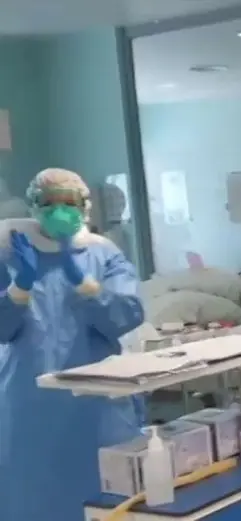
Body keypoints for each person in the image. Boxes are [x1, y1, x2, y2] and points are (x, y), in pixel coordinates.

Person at [0, 168, 145, 520]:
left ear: (84, 206)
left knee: (106, 499)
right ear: (34, 205)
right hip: (29, 405)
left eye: (68, 202)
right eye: (49, 202)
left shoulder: (103, 254)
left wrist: (86, 285)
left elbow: (127, 314)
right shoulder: (10, 254)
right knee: (31, 499)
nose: (59, 210)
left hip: (97, 407)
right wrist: (20, 286)